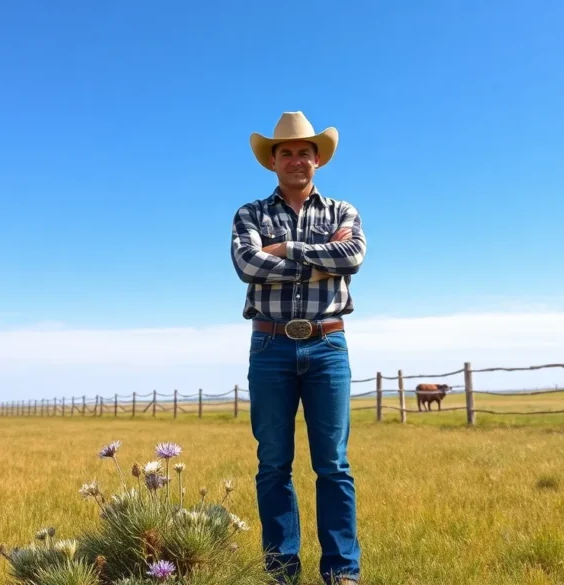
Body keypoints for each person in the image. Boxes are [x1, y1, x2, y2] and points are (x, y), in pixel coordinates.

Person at [229, 111, 366, 585]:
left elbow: (353, 256)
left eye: (304, 152)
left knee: (333, 464)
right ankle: (281, 571)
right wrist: (321, 258)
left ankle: (341, 572)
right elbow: (247, 265)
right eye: (285, 152)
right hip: (271, 344)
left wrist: (284, 250)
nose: (295, 160)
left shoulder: (343, 212)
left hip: (328, 343)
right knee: (273, 464)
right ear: (272, 161)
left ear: (317, 159)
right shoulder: (250, 213)